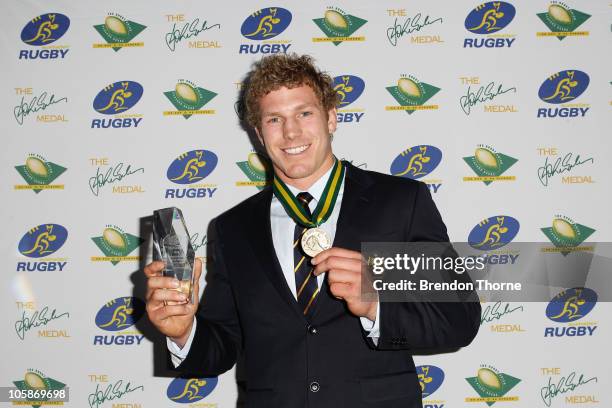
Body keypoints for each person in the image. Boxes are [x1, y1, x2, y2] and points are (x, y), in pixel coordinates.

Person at [144, 53, 480, 407]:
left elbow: (457, 319)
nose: (291, 132)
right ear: (258, 134)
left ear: (332, 118)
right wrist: (183, 332)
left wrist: (375, 305)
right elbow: (223, 343)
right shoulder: (233, 228)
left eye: (304, 113)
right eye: (275, 119)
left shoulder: (398, 203)